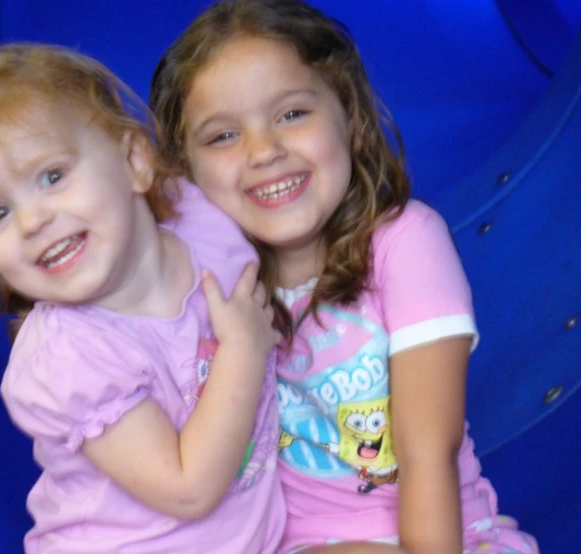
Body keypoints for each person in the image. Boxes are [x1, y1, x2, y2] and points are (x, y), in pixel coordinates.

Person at [150, 1, 539, 553]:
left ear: (350, 119)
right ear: (184, 174)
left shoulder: (403, 243)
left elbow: (430, 448)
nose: (264, 152)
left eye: (291, 114)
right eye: (222, 137)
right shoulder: (209, 288)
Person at [0, 43, 286, 553]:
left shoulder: (200, 220)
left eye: (52, 176)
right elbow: (188, 489)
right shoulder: (67, 358)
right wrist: (244, 349)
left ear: (133, 161)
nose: (32, 221)